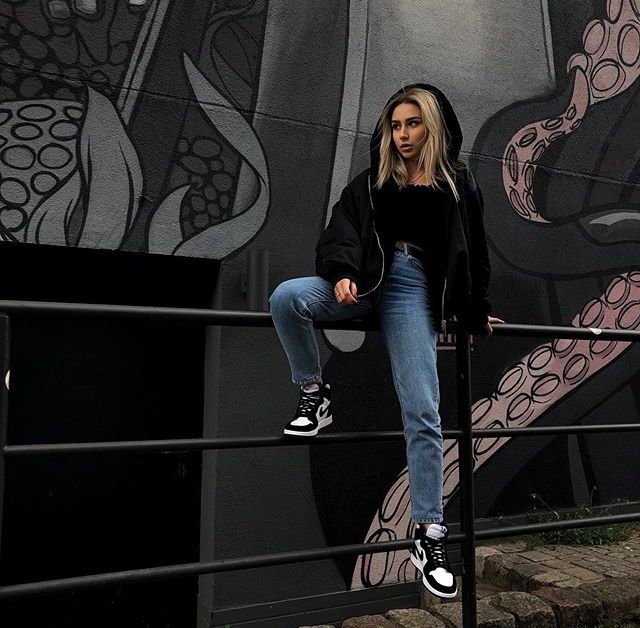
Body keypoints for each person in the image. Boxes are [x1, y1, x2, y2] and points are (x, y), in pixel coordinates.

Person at [269, 83, 503, 599]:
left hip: (411, 291)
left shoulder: (458, 184)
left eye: (412, 124)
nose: (402, 134)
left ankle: (428, 532)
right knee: (288, 298)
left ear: (432, 126)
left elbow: (474, 254)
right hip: (364, 281)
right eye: (395, 125)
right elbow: (342, 228)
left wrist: (475, 311)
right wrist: (341, 272)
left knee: (423, 409)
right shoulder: (372, 180)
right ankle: (314, 393)